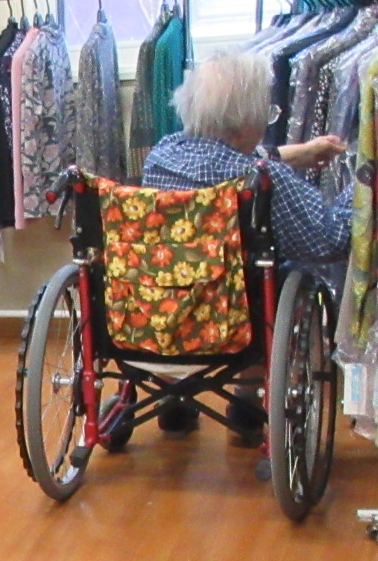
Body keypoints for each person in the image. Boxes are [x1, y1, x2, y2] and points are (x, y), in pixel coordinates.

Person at [139, 50, 350, 436]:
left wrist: (296, 154)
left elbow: (221, 159)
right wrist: (363, 184)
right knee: (272, 273)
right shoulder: (265, 179)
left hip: (159, 308)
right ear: (246, 123)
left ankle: (173, 396)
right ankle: (246, 398)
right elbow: (329, 240)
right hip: (233, 318)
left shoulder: (160, 156)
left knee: (181, 266)